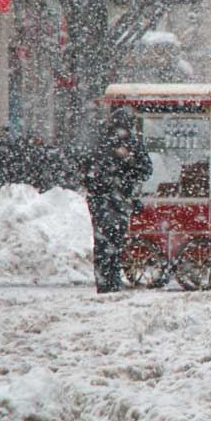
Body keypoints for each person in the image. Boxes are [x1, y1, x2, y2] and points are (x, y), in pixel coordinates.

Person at [81, 107, 152, 293]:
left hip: (114, 200)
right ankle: (107, 280)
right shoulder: (105, 144)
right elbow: (90, 168)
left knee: (110, 242)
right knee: (108, 241)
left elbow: (145, 169)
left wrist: (128, 161)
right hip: (108, 199)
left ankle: (108, 279)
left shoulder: (128, 145)